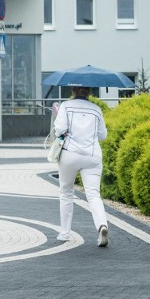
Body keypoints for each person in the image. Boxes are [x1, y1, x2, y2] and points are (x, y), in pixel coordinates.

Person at [54, 86, 109, 247]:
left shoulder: (66, 106)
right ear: (89, 92)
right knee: (93, 195)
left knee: (66, 191)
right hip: (92, 156)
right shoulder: (96, 109)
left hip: (70, 154)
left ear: (73, 91)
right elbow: (103, 135)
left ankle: (65, 233)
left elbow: (59, 129)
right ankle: (102, 226)